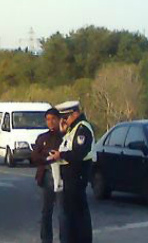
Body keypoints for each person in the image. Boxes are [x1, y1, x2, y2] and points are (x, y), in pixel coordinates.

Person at [49, 101, 95, 243]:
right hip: (70, 177)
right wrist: (63, 132)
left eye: (66, 118)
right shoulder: (73, 129)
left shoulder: (82, 129)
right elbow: (67, 145)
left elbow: (78, 153)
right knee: (72, 213)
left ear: (74, 114)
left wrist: (60, 156)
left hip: (78, 174)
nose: (64, 121)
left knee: (78, 214)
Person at [30, 107, 66, 243]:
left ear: (59, 120)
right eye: (48, 119)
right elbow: (34, 156)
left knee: (63, 212)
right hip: (46, 175)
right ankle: (46, 239)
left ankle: (65, 238)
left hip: (61, 177)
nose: (50, 122)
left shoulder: (64, 136)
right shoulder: (42, 137)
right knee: (46, 211)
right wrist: (46, 158)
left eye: (53, 119)